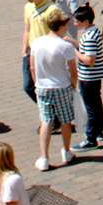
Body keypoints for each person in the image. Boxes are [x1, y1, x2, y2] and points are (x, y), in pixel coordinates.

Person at [29, 10, 78, 171]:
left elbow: (32, 66)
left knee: (46, 120)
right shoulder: (65, 46)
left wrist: (37, 83)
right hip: (61, 86)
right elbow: (73, 70)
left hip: (43, 87)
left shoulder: (37, 43)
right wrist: (74, 85)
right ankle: (66, 150)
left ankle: (44, 157)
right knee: (66, 120)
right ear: (62, 26)